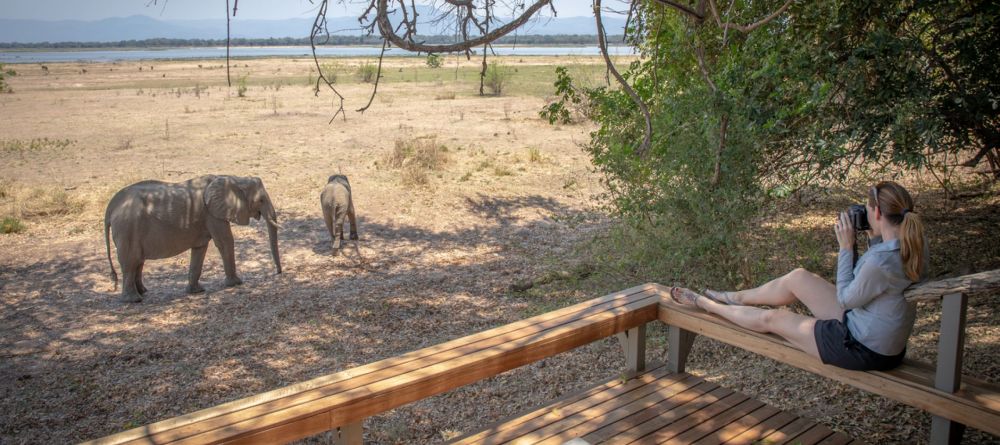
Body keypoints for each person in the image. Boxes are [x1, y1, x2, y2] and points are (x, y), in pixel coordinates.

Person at [670, 181, 928, 371]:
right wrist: (873, 239)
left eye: (868, 209)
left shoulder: (880, 261)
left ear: (879, 214)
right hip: (877, 333)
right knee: (798, 277)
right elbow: (878, 281)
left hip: (863, 347)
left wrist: (846, 248)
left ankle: (708, 305)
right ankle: (735, 297)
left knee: (773, 318)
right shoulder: (912, 244)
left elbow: (846, 299)